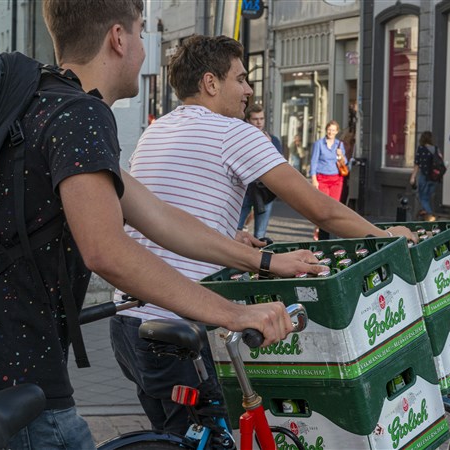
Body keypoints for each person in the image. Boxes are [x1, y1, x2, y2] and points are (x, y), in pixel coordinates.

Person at [0, 3, 323, 449]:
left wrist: (264, 260)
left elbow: (161, 218)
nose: (144, 51)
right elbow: (107, 251)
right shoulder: (80, 115)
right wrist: (235, 314)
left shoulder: (39, 101)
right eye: (141, 34)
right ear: (118, 39)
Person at [113, 34, 416, 435]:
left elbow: (168, 208)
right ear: (210, 83)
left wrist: (229, 232)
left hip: (130, 325)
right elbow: (320, 208)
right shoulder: (233, 132)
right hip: (181, 326)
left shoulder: (156, 131)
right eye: (240, 79)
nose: (249, 90)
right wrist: (383, 235)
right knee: (216, 435)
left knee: (175, 437)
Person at [236, 104, 282, 239]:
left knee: (260, 233)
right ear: (248, 120)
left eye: (261, 119)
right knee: (234, 229)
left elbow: (278, 164)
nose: (259, 122)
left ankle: (258, 258)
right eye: (255, 119)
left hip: (263, 191)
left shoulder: (273, 140)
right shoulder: (242, 139)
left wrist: (268, 145)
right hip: (244, 189)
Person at [309, 120, 347, 240]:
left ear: (337, 131)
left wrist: (341, 155)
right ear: (326, 130)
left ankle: (331, 231)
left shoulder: (339, 144)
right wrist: (314, 179)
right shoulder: (319, 144)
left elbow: (344, 162)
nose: (331, 132)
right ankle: (318, 228)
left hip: (336, 179)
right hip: (323, 178)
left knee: (334, 207)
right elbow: (313, 162)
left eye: (333, 130)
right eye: (329, 129)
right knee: (323, 207)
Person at [410, 131, 441, 221]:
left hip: (424, 177)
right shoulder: (436, 149)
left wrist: (413, 177)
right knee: (427, 198)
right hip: (434, 178)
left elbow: (417, 164)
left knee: (423, 198)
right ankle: (425, 216)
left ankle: (430, 216)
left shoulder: (421, 149)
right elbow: (441, 161)